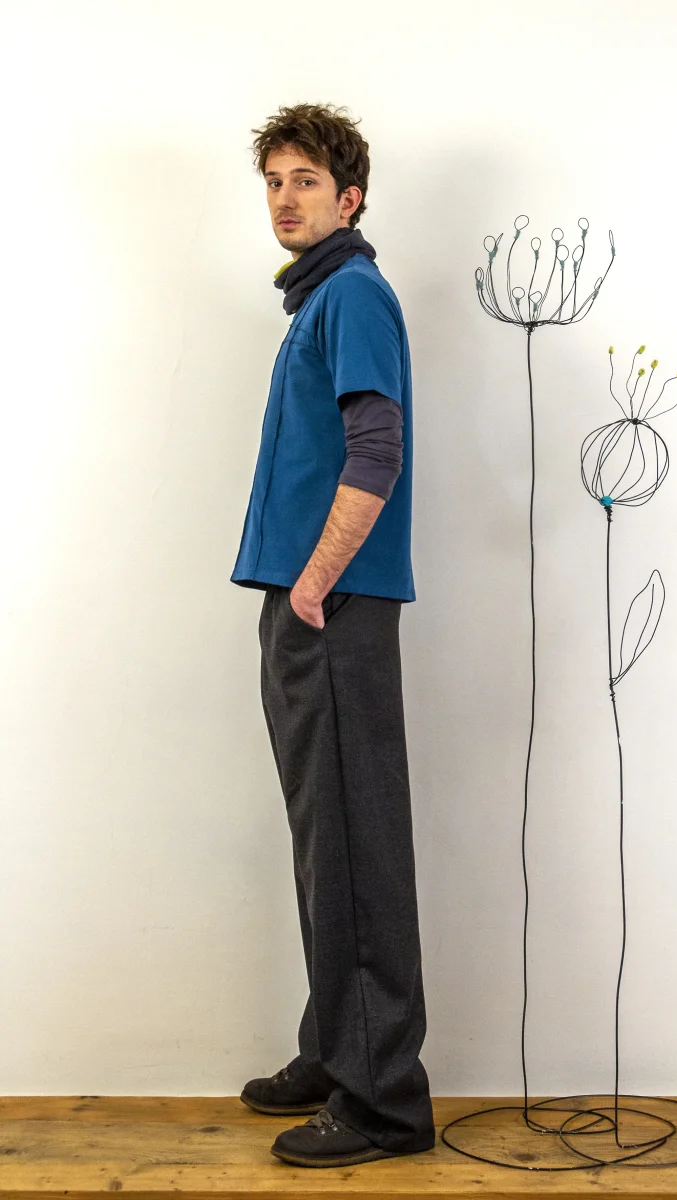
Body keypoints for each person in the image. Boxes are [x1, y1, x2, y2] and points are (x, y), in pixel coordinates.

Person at [230, 103, 435, 1168]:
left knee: (357, 846)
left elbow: (376, 449)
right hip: (306, 601)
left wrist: (314, 583)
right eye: (273, 181)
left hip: (332, 605)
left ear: (349, 198)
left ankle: (384, 1101)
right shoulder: (318, 299)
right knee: (327, 841)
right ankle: (334, 1050)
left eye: (305, 180)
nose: (284, 198)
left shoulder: (352, 292)